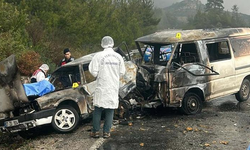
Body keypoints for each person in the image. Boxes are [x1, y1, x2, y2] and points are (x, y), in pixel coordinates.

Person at [89, 36, 126, 138]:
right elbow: (122, 72)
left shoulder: (98, 56)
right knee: (110, 109)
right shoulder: (118, 57)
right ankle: (106, 132)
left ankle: (95, 131)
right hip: (113, 86)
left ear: (102, 44)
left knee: (98, 109)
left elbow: (93, 72)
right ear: (112, 43)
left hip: (102, 86)